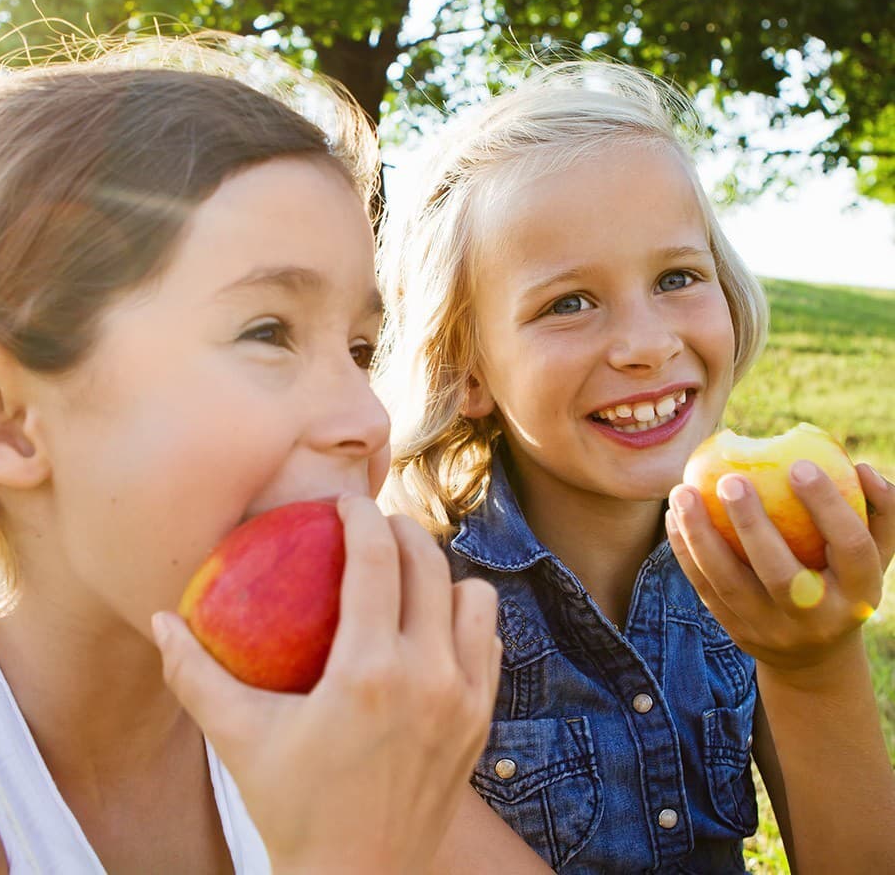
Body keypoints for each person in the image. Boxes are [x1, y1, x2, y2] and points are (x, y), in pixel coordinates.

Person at [0, 32, 501, 874]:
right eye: (268, 331)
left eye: (362, 351)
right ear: (1, 416)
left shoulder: (347, 734)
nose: (368, 421)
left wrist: (798, 681)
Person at [374, 60, 895, 873]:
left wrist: (815, 663)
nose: (649, 344)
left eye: (677, 278)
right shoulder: (414, 603)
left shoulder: (754, 564)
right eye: (568, 303)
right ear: (468, 371)